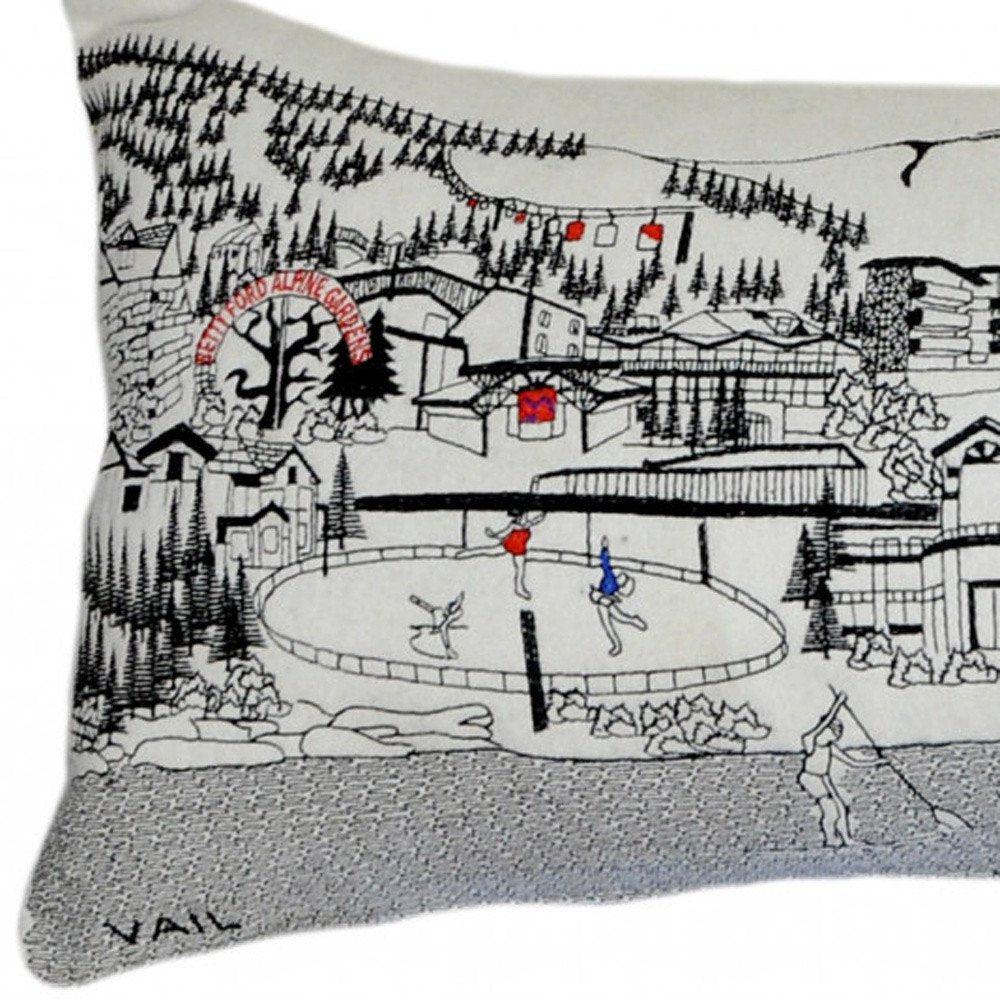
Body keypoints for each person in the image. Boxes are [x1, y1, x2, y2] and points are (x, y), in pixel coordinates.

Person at [799, 691, 885, 847]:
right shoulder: (810, 740)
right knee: (831, 810)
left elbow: (852, 762)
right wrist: (838, 703)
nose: (837, 734)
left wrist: (877, 762)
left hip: (824, 778)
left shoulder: (830, 747)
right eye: (834, 730)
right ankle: (830, 839)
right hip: (812, 777)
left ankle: (846, 839)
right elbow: (824, 723)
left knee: (840, 808)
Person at [457, 510, 545, 600]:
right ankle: (466, 553)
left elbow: (538, 519)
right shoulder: (514, 525)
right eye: (524, 515)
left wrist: (543, 513)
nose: (526, 517)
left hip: (519, 550)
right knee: (488, 551)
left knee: (520, 570)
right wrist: (493, 534)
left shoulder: (527, 524)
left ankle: (519, 589)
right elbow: (503, 534)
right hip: (508, 545)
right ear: (519, 517)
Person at [588, 536, 647, 656]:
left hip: (605, 603)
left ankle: (630, 626)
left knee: (618, 620)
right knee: (614, 622)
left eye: (623, 580)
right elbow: (605, 563)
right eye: (622, 576)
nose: (620, 578)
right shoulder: (611, 577)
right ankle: (618, 643)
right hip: (604, 602)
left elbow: (605, 564)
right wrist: (604, 548)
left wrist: (604, 548)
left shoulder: (615, 587)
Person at [408, 592, 465, 660]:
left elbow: (443, 632)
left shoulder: (443, 621)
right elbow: (428, 607)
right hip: (437, 623)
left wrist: (448, 648)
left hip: (438, 624)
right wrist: (417, 601)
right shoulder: (439, 612)